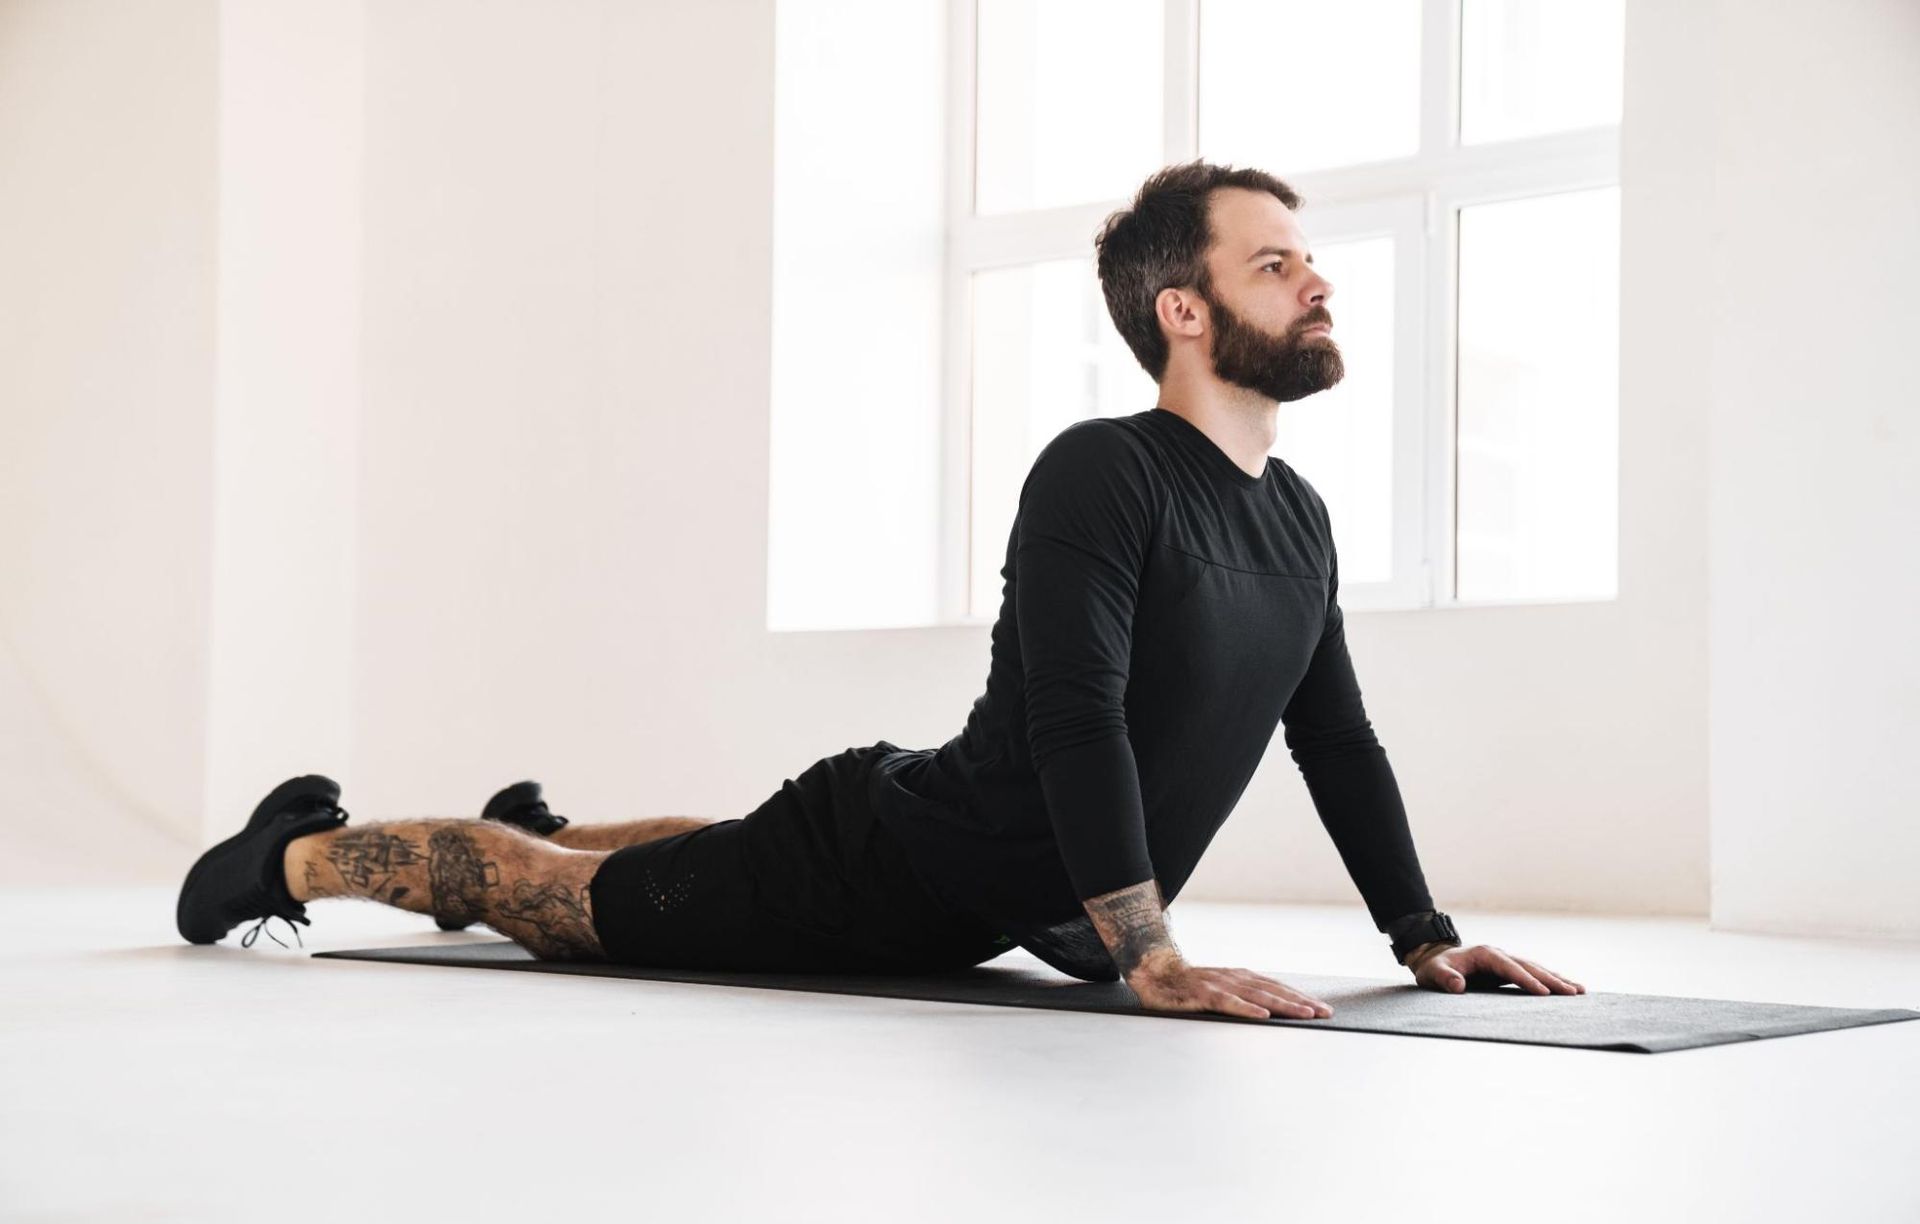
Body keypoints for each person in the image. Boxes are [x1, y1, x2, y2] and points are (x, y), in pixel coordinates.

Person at [175, 159, 1586, 1020]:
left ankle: (546, 821)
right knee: (557, 906)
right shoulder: (1100, 471)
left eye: (1311, 256)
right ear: (1186, 309)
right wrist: (1152, 954)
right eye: (1276, 263)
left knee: (674, 855)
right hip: (883, 868)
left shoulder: (1299, 518)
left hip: (995, 886)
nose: (1317, 281)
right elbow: (1078, 721)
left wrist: (1425, 937)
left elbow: (1334, 738)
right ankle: (294, 850)